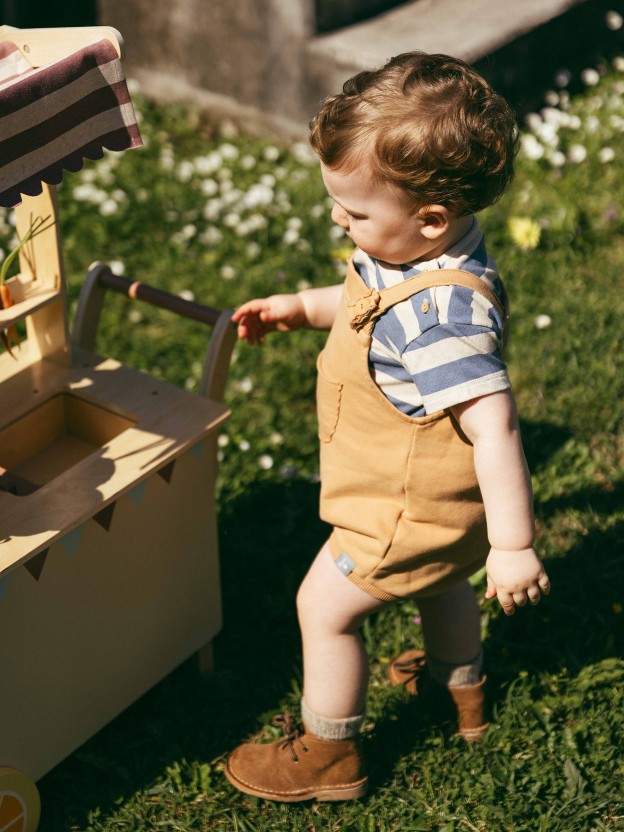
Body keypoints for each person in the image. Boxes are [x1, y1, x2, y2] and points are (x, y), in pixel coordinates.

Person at [225, 51, 551, 802]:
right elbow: (369, 300)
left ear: (430, 218)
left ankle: (331, 754)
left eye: (355, 212)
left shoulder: (441, 324)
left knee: (323, 607)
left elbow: (495, 426)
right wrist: (303, 307)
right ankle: (457, 691)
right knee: (443, 584)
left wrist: (514, 545)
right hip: (448, 508)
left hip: (399, 510)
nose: (340, 220)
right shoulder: (419, 254)